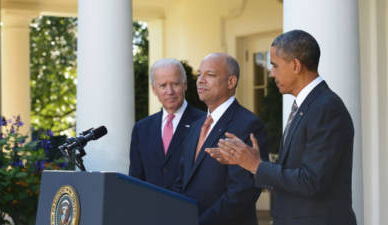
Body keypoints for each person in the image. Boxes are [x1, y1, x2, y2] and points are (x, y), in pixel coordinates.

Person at [206, 30, 357, 225]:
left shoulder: (326, 108)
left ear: (295, 65)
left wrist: (257, 166)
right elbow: (294, 172)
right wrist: (251, 163)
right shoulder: (308, 106)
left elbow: (312, 181)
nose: (271, 73)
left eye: (275, 65)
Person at [174, 53, 268, 225]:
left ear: (231, 82)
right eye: (199, 74)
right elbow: (182, 180)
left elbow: (241, 193)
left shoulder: (248, 125)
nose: (200, 80)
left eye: (209, 75)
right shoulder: (196, 126)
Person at [129, 58, 204, 190]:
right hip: (151, 208)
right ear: (154, 89)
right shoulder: (142, 129)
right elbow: (135, 180)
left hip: (190, 208)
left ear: (185, 85)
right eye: (163, 85)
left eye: (175, 84)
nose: (170, 91)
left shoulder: (204, 123)